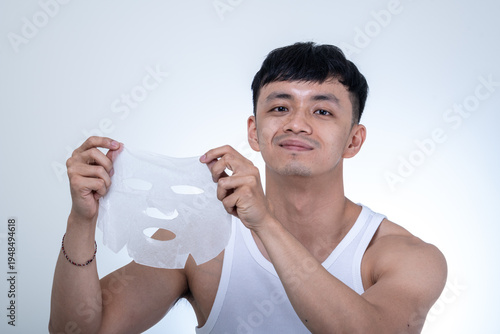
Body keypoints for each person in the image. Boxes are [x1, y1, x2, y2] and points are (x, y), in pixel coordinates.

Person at [49, 42, 447, 333]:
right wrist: (81, 222)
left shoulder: (406, 256)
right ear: (254, 132)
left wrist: (264, 223)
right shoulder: (202, 242)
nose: (297, 123)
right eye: (279, 107)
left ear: (354, 141)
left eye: (322, 110)